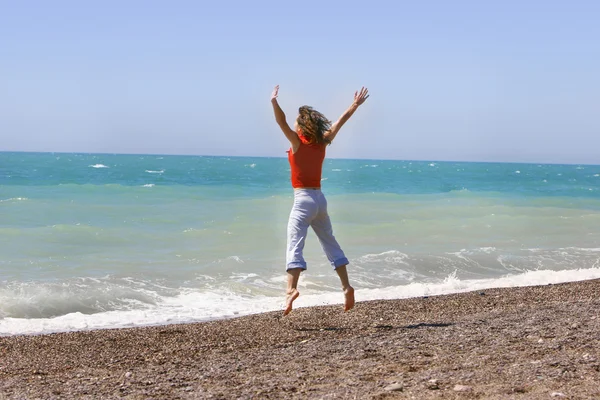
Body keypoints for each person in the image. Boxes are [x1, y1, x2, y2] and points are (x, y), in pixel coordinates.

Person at [270, 85, 369, 315]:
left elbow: (280, 122)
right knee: (330, 243)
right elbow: (339, 123)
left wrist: (274, 102)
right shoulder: (322, 142)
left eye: (297, 122)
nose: (294, 124)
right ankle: (346, 287)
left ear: (302, 126)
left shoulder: (297, 143)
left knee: (294, 244)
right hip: (320, 199)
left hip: (302, 199)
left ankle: (290, 290)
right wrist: (355, 105)